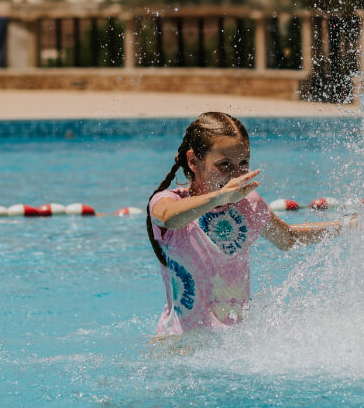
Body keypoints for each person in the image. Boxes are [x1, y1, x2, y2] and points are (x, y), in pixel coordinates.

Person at [147, 111, 349, 335]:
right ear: (193, 161)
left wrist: (350, 225)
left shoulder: (247, 205)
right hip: (180, 346)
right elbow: (167, 217)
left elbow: (288, 238)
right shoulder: (170, 201)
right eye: (224, 165)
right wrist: (218, 198)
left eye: (243, 163)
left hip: (233, 345)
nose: (236, 175)